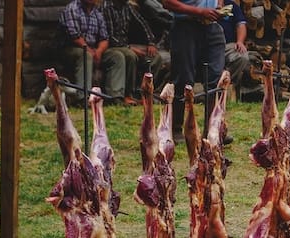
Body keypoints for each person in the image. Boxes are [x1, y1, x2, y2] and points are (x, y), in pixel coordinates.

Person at [162, 0, 226, 142]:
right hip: (185, 27)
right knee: (183, 78)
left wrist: (219, 7)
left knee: (216, 80)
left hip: (212, 27)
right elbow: (167, 3)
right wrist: (199, 11)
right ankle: (176, 129)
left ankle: (212, 129)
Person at [58, 0, 126, 104]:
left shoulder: (97, 13)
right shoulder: (72, 9)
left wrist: (99, 51)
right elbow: (74, 36)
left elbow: (105, 38)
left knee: (117, 56)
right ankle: (83, 98)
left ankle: (115, 96)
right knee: (86, 56)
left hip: (93, 49)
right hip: (71, 49)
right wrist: (89, 50)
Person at [102, 0, 164, 104]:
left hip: (126, 44)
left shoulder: (127, 7)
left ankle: (143, 92)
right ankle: (127, 94)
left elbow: (142, 23)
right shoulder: (107, 7)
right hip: (112, 46)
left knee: (155, 57)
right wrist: (129, 47)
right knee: (129, 55)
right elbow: (110, 37)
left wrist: (151, 42)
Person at [218, 0, 251, 91]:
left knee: (242, 57)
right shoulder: (204, 4)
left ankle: (225, 82)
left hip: (228, 45)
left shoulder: (232, 6)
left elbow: (241, 25)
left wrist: (240, 41)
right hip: (207, 46)